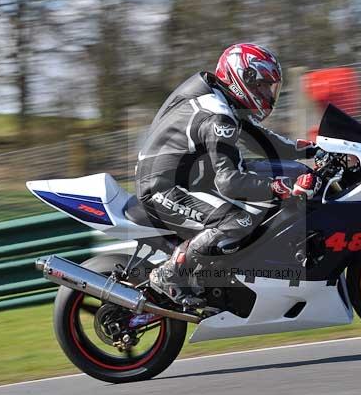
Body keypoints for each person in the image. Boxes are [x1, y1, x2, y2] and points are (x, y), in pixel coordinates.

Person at [135, 43, 321, 306]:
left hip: (188, 176)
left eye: (270, 87)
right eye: (262, 85)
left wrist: (314, 149)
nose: (267, 93)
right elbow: (229, 182)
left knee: (273, 181)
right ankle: (169, 274)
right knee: (239, 220)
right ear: (241, 79)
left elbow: (264, 141)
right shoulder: (217, 116)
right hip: (162, 187)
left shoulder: (223, 100)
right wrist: (280, 187)